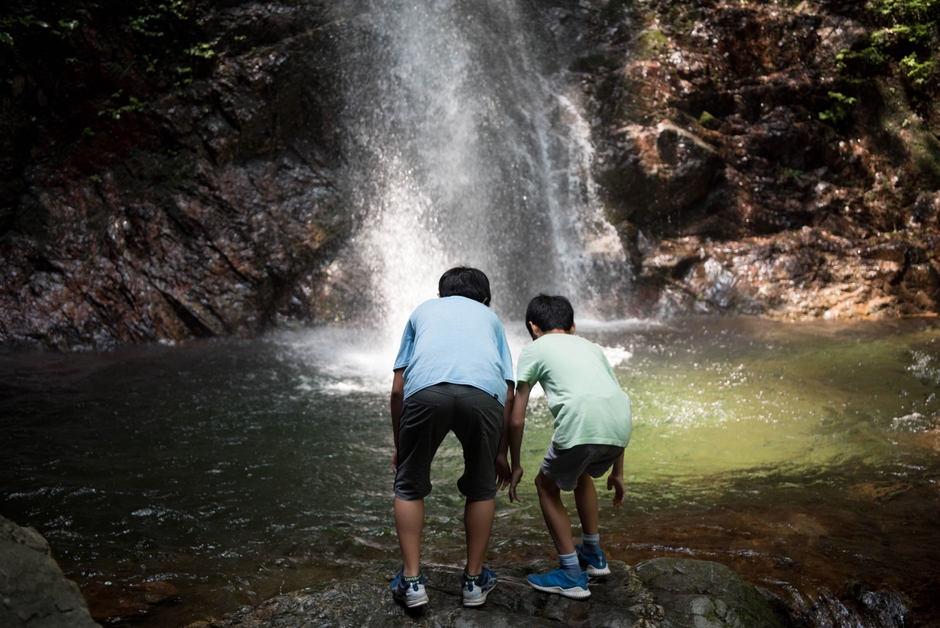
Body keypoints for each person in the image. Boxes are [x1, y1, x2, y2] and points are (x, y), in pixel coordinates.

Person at [389, 267, 515, 608]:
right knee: (482, 487)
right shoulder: (491, 319)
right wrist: (500, 452)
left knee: (408, 485)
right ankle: (474, 582)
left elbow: (398, 389)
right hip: (483, 396)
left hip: (425, 392)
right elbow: (508, 389)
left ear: (440, 295)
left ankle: (412, 582)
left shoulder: (423, 311)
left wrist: (400, 445)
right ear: (485, 300)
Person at [500, 294, 632, 599]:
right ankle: (593, 554)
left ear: (533, 328)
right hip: (621, 427)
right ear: (573, 327)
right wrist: (618, 473)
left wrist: (515, 463)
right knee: (580, 471)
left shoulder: (534, 349)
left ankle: (571, 573)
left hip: (581, 425)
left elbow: (516, 419)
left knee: (545, 485)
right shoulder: (592, 347)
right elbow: (612, 400)